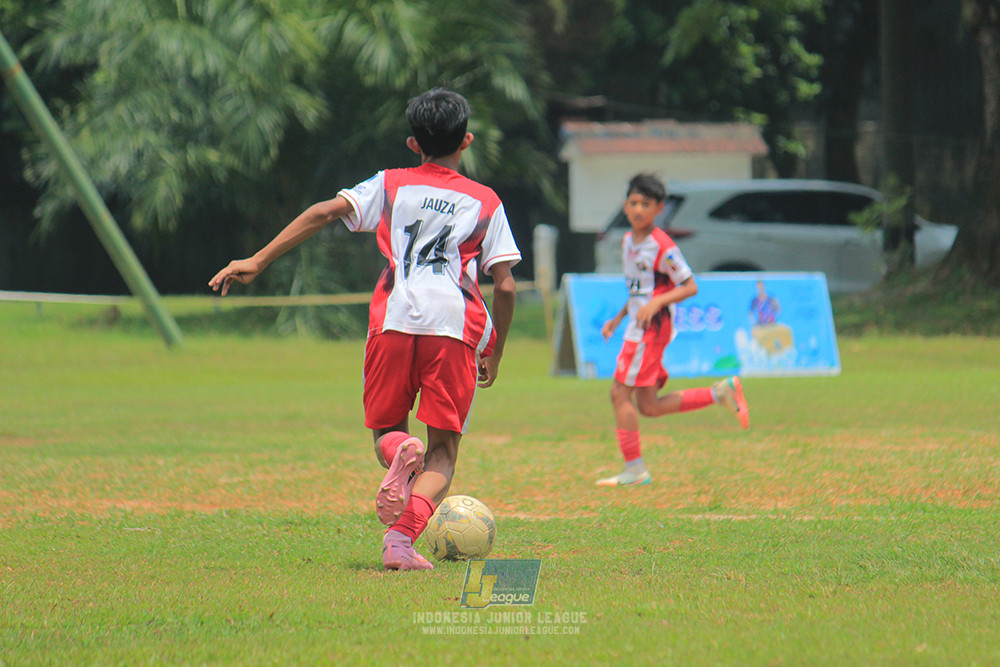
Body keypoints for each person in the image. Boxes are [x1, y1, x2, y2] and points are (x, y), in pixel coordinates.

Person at [209, 88, 520, 570]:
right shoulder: (486, 201)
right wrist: (494, 353)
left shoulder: (391, 184)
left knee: (385, 434)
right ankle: (400, 540)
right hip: (453, 327)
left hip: (392, 320)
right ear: (467, 140)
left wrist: (257, 259)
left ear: (413, 143)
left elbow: (323, 212)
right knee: (442, 453)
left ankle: (400, 449)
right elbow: (506, 286)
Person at [597, 173, 748, 487]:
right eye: (634, 203)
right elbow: (639, 292)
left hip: (650, 329)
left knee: (619, 392)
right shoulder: (628, 242)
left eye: (646, 204)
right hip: (638, 325)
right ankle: (719, 393)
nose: (638, 209)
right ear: (625, 206)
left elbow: (690, 286)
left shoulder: (662, 246)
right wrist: (618, 317)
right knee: (648, 406)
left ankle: (634, 469)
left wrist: (657, 303)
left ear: (659, 208)